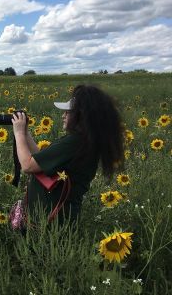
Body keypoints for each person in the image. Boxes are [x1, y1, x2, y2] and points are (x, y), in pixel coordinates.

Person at [11, 84, 124, 225]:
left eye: (68, 112)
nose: (63, 115)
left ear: (82, 115)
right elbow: (41, 160)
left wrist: (19, 133)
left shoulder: (74, 142)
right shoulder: (84, 141)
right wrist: (26, 133)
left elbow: (27, 165)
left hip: (50, 224)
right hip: (56, 219)